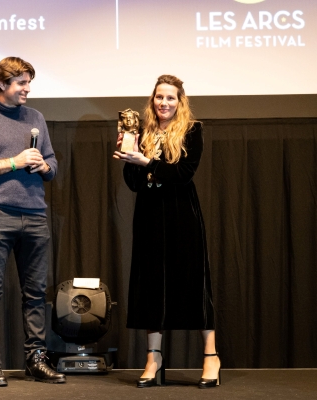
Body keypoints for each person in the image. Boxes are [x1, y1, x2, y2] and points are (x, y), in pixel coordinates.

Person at [0, 57, 65, 386]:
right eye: (21, 83)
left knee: (35, 294)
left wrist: (44, 167)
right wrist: (15, 163)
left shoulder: (36, 118)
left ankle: (36, 359)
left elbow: (52, 164)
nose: (27, 89)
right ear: (3, 84)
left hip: (35, 216)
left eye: (29, 82)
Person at [113, 75, 221, 389]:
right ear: (152, 100)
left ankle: (211, 357)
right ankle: (153, 359)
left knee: (193, 284)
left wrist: (145, 161)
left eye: (171, 98)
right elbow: (134, 184)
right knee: (151, 286)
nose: (164, 103)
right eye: (159, 97)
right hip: (149, 216)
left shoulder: (192, 130)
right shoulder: (142, 132)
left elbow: (183, 174)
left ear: (180, 101)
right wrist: (128, 156)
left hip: (182, 215)